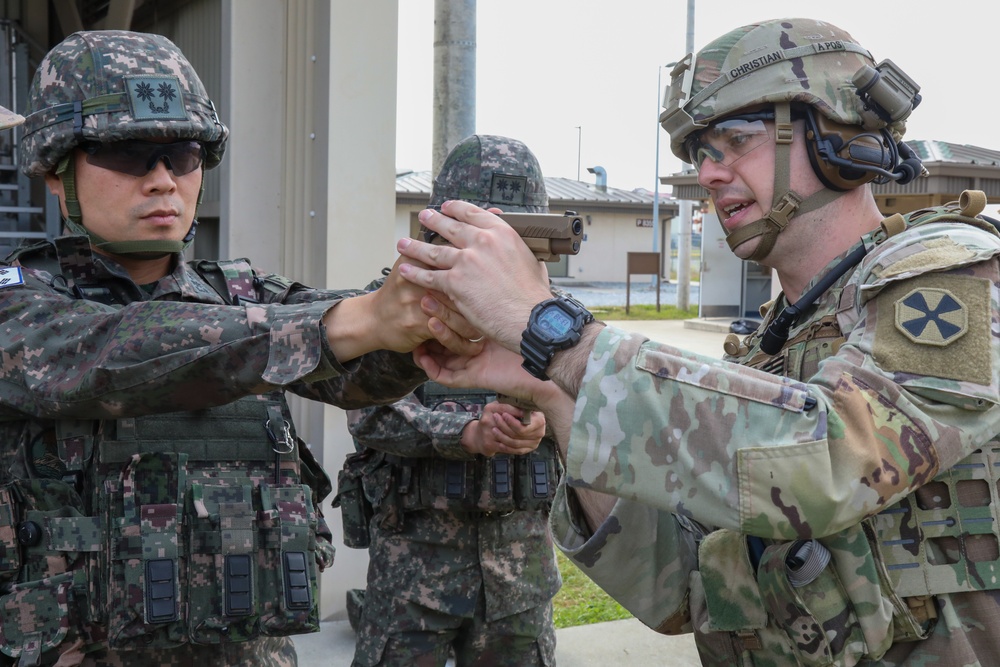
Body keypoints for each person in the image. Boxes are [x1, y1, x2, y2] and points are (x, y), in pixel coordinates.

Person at [394, 17, 1000, 667]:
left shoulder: (954, 275)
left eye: (736, 140)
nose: (709, 174)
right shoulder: (773, 345)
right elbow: (682, 589)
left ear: (834, 135)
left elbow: (836, 460)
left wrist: (553, 330)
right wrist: (549, 386)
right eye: (700, 153)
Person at [0, 30, 473, 667]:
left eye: (182, 155)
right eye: (128, 155)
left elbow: (358, 370)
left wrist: (428, 316)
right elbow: (122, 355)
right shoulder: (20, 304)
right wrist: (351, 322)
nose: (163, 180)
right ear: (57, 175)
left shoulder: (245, 296)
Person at [337, 135, 562, 667]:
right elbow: (368, 413)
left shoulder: (555, 317)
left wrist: (544, 426)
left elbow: (599, 411)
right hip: (415, 580)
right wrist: (463, 434)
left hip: (519, 579)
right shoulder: (391, 303)